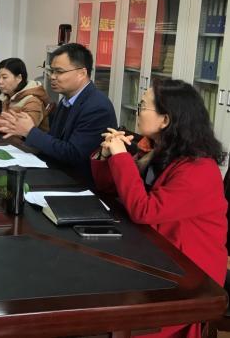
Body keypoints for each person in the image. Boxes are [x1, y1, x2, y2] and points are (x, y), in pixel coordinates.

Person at [91, 79, 227, 338]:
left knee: (111, 309)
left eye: (143, 106)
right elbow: (112, 189)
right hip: (155, 252)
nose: (138, 111)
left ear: (165, 120)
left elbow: (144, 211)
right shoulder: (156, 150)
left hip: (188, 272)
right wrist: (107, 155)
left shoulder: (199, 169)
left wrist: (121, 157)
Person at [0, 43, 116, 180]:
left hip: (78, 181)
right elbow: (55, 140)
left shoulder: (97, 107)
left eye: (59, 71)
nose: (52, 76)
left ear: (82, 73)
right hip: (57, 171)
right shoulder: (67, 100)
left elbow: (74, 154)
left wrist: (30, 132)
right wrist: (23, 131)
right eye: (52, 71)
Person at [0, 57, 51, 132]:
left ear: (19, 78)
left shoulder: (33, 100)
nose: (0, 82)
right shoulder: (6, 96)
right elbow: (4, 120)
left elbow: (22, 129)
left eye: (4, 77)